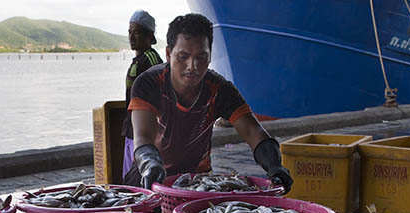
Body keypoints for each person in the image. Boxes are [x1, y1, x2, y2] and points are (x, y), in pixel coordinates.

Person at [124, 13, 293, 194]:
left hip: (197, 184)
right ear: (168, 54)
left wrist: (275, 166)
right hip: (147, 181)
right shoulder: (148, 83)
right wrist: (150, 164)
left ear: (211, 56)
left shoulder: (220, 89)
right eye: (183, 57)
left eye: (201, 57)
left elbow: (253, 132)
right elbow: (143, 137)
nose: (192, 66)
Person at [121, 10, 164, 181]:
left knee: (140, 175)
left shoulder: (152, 60)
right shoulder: (138, 60)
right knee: (129, 175)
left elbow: (160, 93)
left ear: (150, 36)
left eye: (137, 32)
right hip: (132, 127)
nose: (131, 37)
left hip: (144, 130)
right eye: (129, 32)